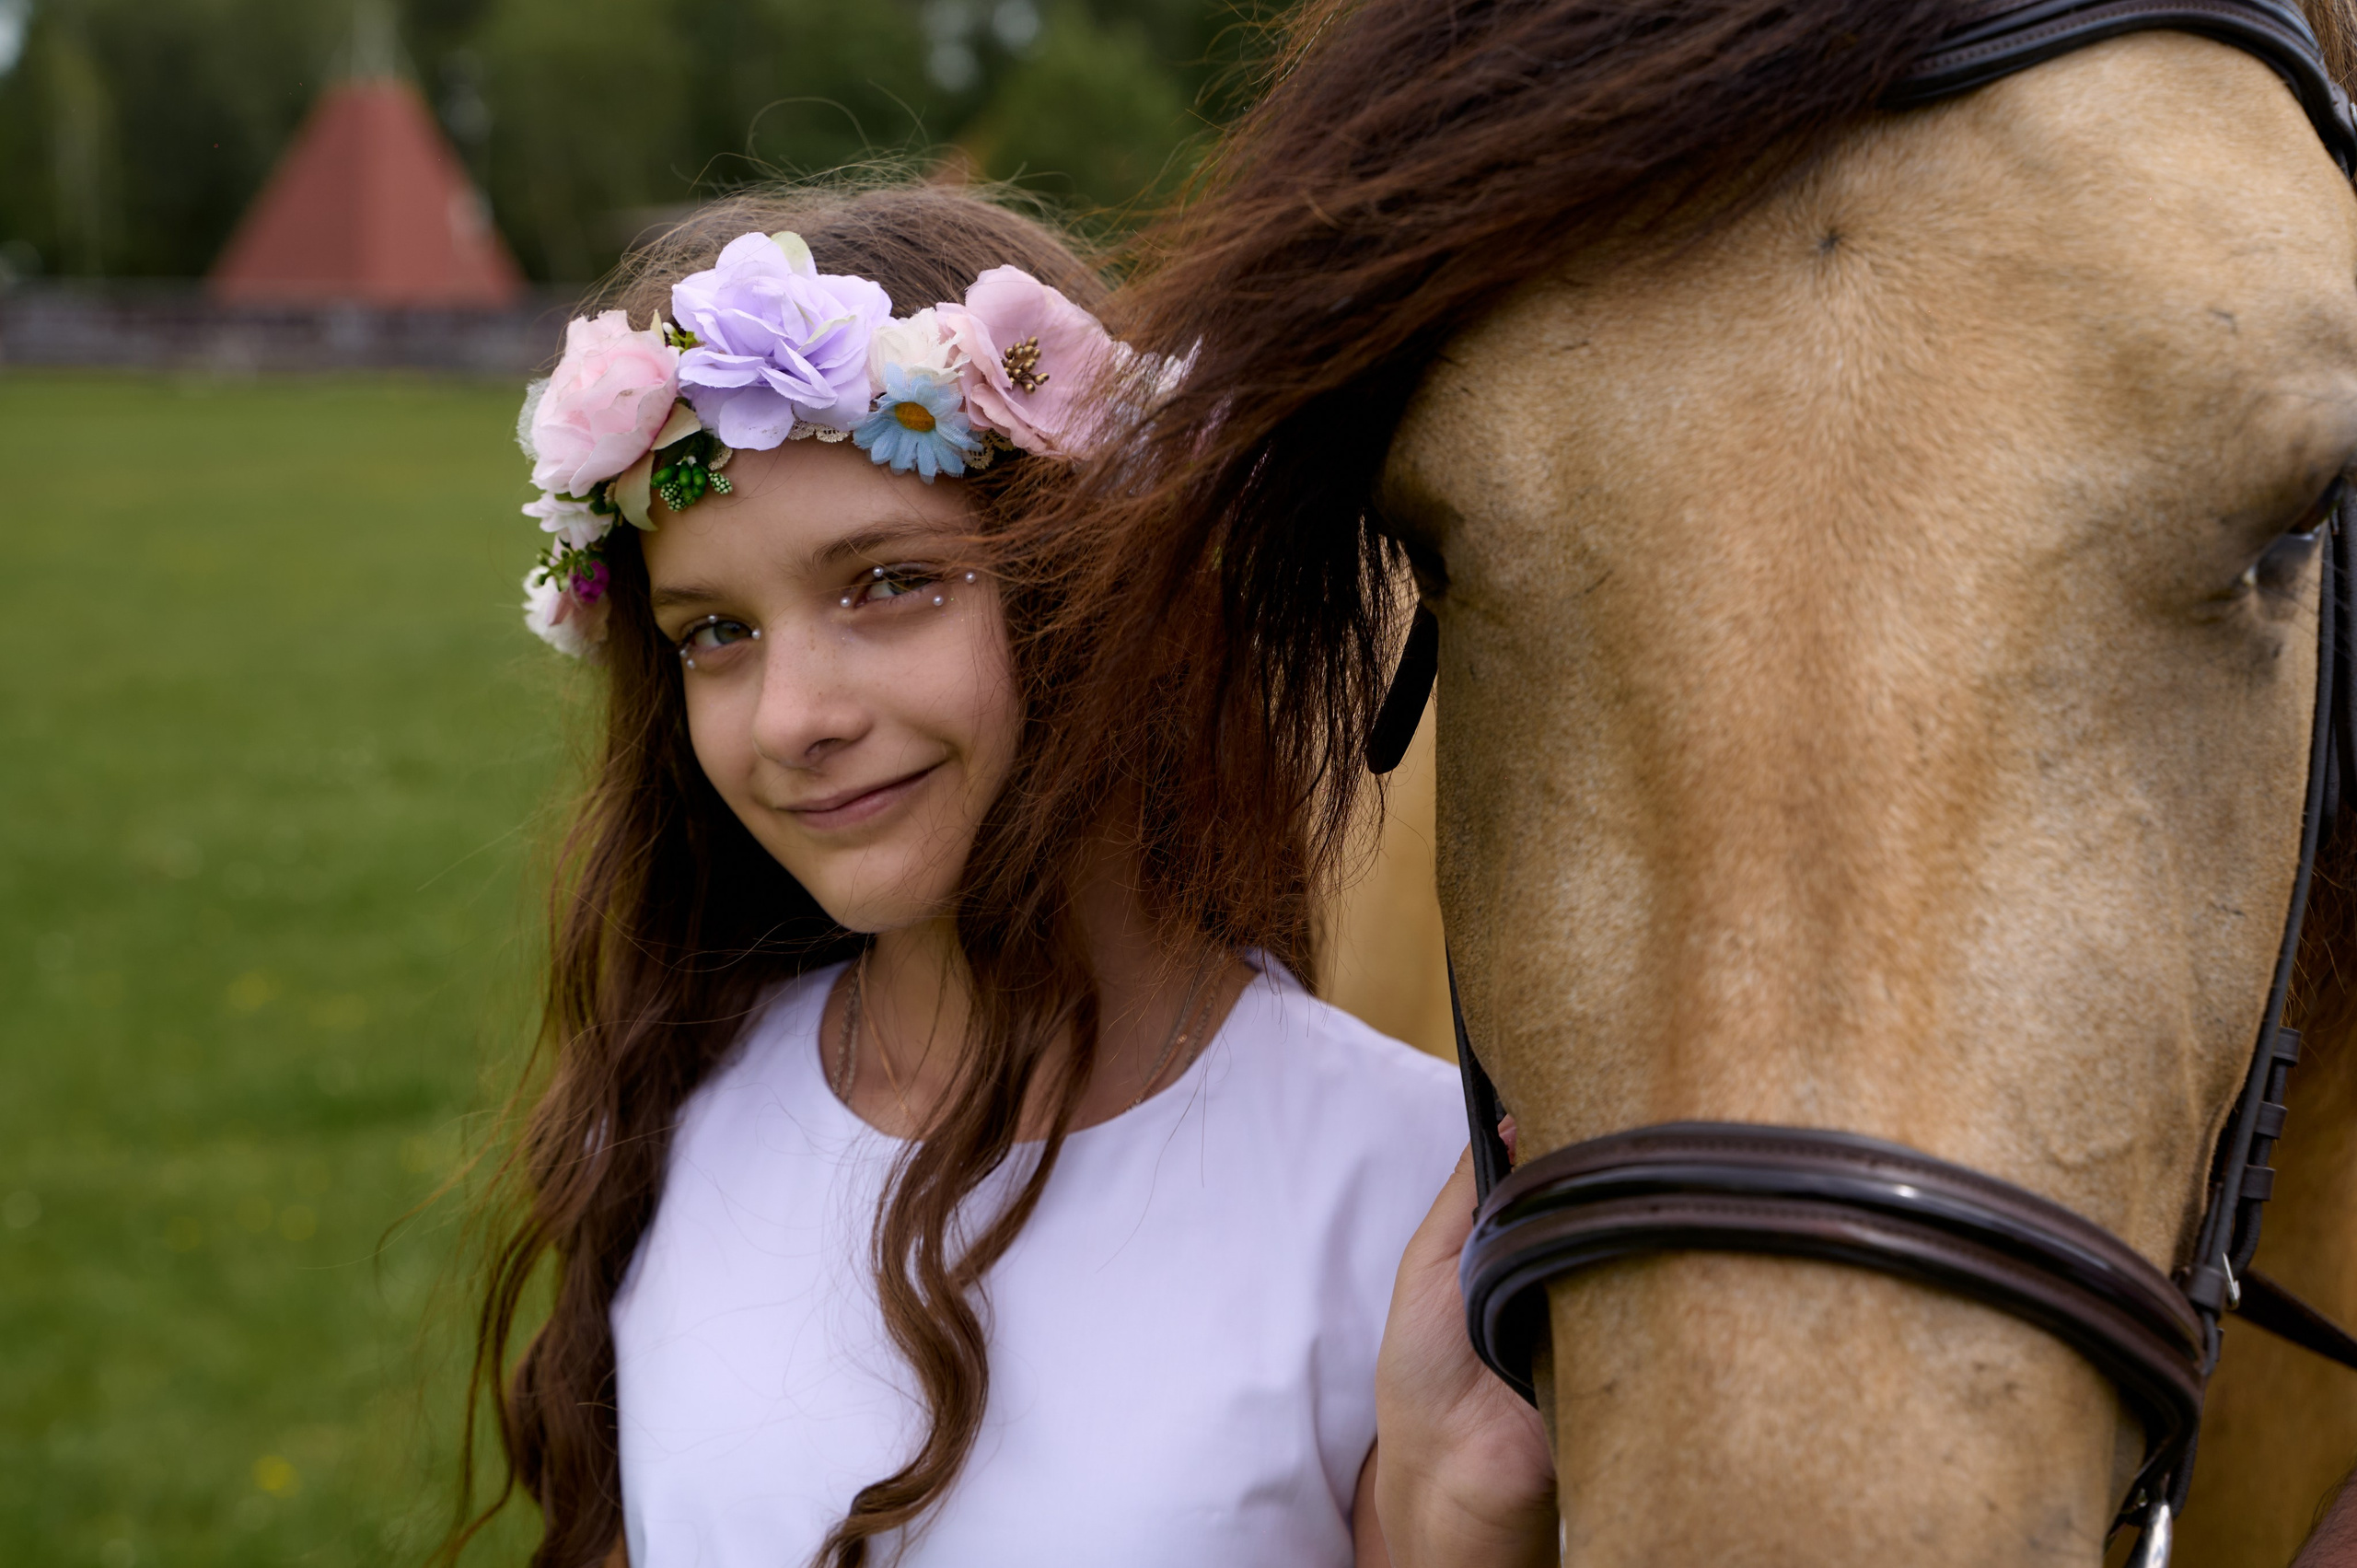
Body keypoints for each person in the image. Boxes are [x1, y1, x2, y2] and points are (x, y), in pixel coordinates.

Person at [451, 183, 1479, 1568]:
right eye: (715, 634)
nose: (790, 718)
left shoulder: (1406, 1190)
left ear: (1102, 591)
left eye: (888, 584)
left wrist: (1457, 1529)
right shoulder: (680, 1104)